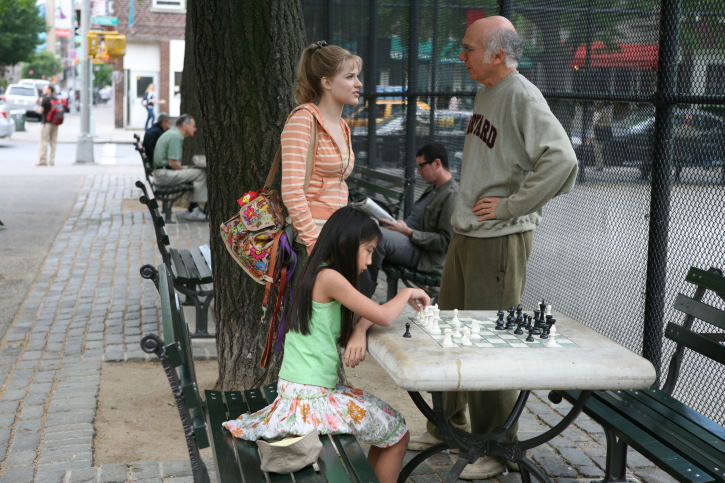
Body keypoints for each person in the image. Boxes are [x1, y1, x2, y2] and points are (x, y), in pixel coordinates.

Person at [406, 17, 579, 480]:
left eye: (468, 49)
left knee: (490, 342)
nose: (460, 57)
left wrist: (512, 205)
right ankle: (450, 425)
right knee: (451, 331)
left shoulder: (522, 95)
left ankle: (497, 447)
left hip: (499, 239)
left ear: (497, 53)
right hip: (468, 234)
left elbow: (562, 159)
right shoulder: (487, 91)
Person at [222, 207, 429, 483]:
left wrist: (360, 329)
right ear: (347, 244)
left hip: (306, 391)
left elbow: (369, 314)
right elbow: (384, 314)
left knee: (391, 428)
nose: (369, 261)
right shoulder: (330, 278)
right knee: (398, 432)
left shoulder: (319, 271)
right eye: (367, 250)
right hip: (310, 399)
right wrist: (407, 291)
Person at [281, 40, 362, 269]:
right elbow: (292, 190)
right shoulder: (303, 119)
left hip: (337, 232)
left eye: (356, 76)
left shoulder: (343, 127)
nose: (358, 83)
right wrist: (314, 244)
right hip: (314, 236)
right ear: (326, 82)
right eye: (349, 77)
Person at [358, 142, 458, 297]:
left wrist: (409, 232)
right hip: (411, 242)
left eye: (421, 166)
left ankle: (363, 296)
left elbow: (445, 241)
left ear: (437, 163)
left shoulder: (452, 195)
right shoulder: (433, 188)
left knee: (378, 238)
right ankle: (356, 291)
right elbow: (414, 222)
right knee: (367, 229)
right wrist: (396, 224)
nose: (418, 172)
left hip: (426, 257)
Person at [152, 114, 208, 222]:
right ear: (185, 125)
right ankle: (195, 210)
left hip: (161, 172)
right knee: (200, 173)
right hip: (163, 175)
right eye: (193, 126)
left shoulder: (172, 133)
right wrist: (186, 170)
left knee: (194, 171)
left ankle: (193, 208)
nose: (195, 129)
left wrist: (186, 170)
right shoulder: (176, 136)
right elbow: (173, 163)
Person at [36, 84, 59, 167]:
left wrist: (39, 107)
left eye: (45, 88)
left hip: (46, 123)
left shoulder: (45, 99)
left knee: (43, 141)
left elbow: (40, 111)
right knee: (53, 142)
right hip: (55, 123)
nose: (43, 90)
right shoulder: (56, 99)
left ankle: (43, 160)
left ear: (49, 90)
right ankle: (52, 160)